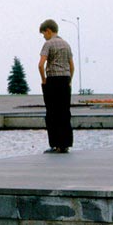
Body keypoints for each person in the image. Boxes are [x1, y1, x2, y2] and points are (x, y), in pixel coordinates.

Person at [38, 19, 75, 154]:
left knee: (52, 113)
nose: (44, 37)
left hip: (52, 80)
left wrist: (43, 80)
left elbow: (41, 64)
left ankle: (55, 144)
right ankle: (65, 144)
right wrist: (69, 80)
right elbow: (72, 66)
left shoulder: (48, 44)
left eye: (43, 34)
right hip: (65, 80)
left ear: (48, 30)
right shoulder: (66, 44)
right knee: (65, 112)